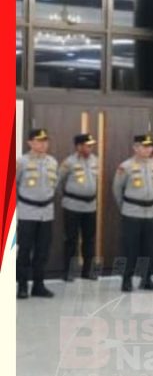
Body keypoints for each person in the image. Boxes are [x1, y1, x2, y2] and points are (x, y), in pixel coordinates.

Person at [113, 134, 153, 292]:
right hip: (132, 212)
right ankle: (126, 280)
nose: (148, 149)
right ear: (135, 148)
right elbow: (117, 189)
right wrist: (125, 208)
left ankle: (146, 279)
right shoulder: (125, 166)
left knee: (149, 248)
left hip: (151, 213)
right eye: (144, 146)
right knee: (129, 248)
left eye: (150, 146)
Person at [16, 128, 58, 299]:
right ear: (30, 143)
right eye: (39, 141)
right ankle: (22, 286)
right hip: (27, 212)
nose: (43, 144)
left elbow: (55, 185)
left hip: (46, 213)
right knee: (24, 250)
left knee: (42, 251)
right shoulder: (21, 162)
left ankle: (38, 286)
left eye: (45, 141)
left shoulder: (52, 162)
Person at [59, 133, 99, 282]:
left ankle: (87, 271)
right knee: (71, 240)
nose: (90, 148)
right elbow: (58, 181)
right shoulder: (69, 162)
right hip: (72, 206)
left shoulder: (95, 160)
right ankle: (68, 272)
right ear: (79, 146)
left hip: (90, 206)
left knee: (89, 240)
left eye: (91, 146)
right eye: (87, 145)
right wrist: (66, 196)